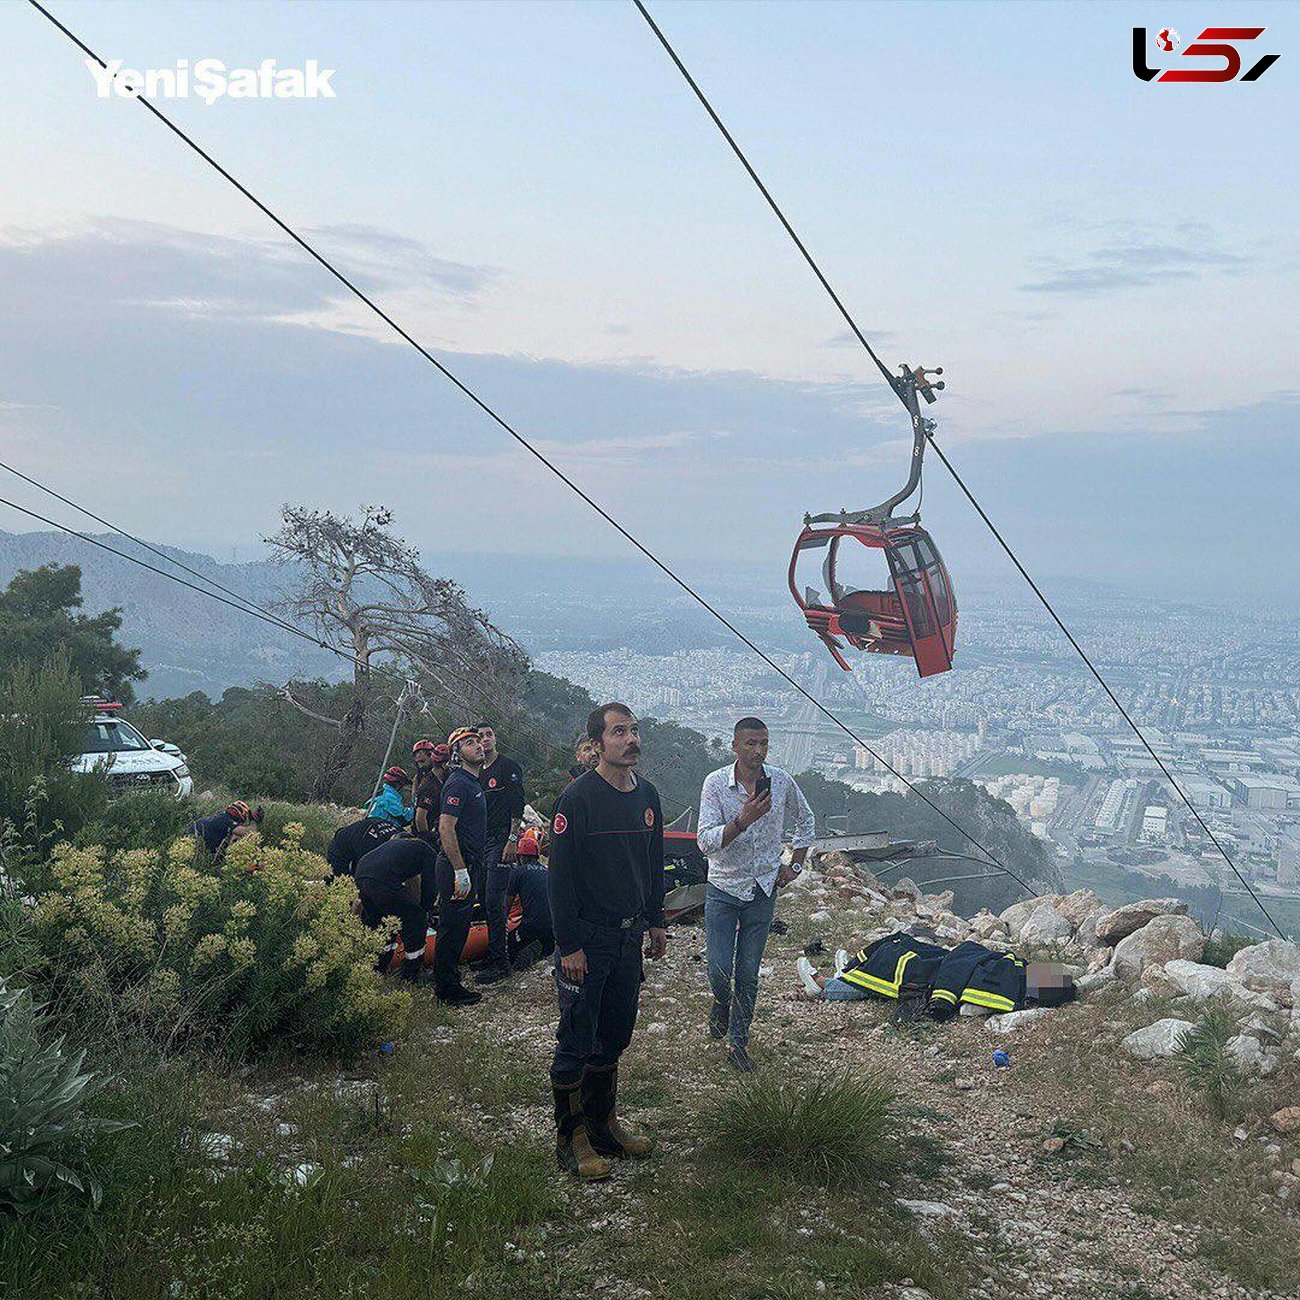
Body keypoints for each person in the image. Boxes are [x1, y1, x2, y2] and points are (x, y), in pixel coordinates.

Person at [548, 702, 665, 1182]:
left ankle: (604, 1125)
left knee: (615, 1034)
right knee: (576, 1037)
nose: (631, 739)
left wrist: (656, 921)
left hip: (627, 936)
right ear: (597, 744)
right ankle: (570, 1138)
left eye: (634, 731)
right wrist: (569, 945)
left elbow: (653, 865)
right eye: (619, 732)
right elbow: (559, 880)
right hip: (586, 939)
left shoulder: (649, 796)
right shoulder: (577, 800)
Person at [697, 717, 815, 1073]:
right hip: (723, 885)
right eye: (750, 743)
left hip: (763, 888)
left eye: (763, 743)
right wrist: (743, 820)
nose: (758, 751)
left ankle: (738, 1043)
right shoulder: (716, 784)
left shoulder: (781, 781)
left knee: (748, 971)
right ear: (735, 745)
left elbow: (806, 820)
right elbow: (705, 841)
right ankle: (720, 1000)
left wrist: (794, 866)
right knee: (719, 969)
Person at [434, 727, 488, 1007]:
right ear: (457, 752)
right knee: (452, 925)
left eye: (479, 741)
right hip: (458, 864)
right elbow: (446, 826)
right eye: (470, 743)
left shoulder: (472, 782)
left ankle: (449, 980)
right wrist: (459, 869)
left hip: (470, 863)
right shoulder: (458, 783)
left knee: (460, 923)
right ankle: (446, 987)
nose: (478, 745)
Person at [475, 723, 528, 985]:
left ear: (495, 739)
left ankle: (501, 962)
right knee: (484, 900)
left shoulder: (508, 767)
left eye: (489, 735)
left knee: (496, 902)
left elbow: (518, 805)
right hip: (481, 842)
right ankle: (492, 952)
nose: (485, 740)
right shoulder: (476, 773)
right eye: (480, 736)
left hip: (501, 840)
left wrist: (512, 840)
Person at [354, 833, 439, 982]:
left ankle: (378, 968)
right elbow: (430, 886)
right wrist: (425, 910)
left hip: (361, 874)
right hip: (382, 879)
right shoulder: (427, 851)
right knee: (415, 923)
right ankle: (411, 974)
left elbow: (412, 884)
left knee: (383, 923)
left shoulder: (396, 849)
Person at [504, 827, 553, 970]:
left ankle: (526, 948)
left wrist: (502, 924)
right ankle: (543, 949)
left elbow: (507, 904)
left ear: (521, 856)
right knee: (545, 942)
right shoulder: (547, 871)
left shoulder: (518, 872)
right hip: (552, 928)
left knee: (512, 952)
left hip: (532, 927)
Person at [326, 814, 404, 878]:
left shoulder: (404, 836)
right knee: (339, 882)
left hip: (368, 830)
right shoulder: (374, 850)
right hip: (342, 844)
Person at [411, 741, 451, 843]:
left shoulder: (439, 781)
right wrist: (428, 839)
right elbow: (420, 818)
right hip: (425, 835)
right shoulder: (430, 785)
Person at [192, 800, 262, 856]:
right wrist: (254, 821)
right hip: (195, 846)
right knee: (237, 837)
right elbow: (248, 832)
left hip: (193, 840)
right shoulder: (226, 821)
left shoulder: (222, 817)